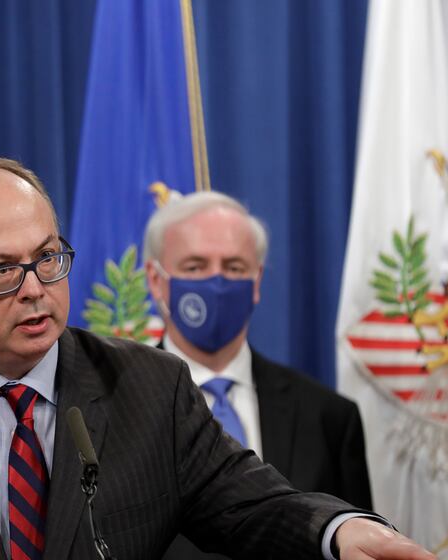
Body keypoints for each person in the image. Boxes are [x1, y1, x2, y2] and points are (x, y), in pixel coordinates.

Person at [0, 157, 433, 560]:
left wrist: (341, 532)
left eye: (48, 259)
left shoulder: (148, 389)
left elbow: (254, 504)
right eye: (2, 271)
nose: (36, 290)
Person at [141, 191, 373, 560]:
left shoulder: (328, 417)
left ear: (257, 280)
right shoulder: (115, 407)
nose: (216, 283)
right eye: (195, 266)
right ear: (156, 280)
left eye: (233, 267)